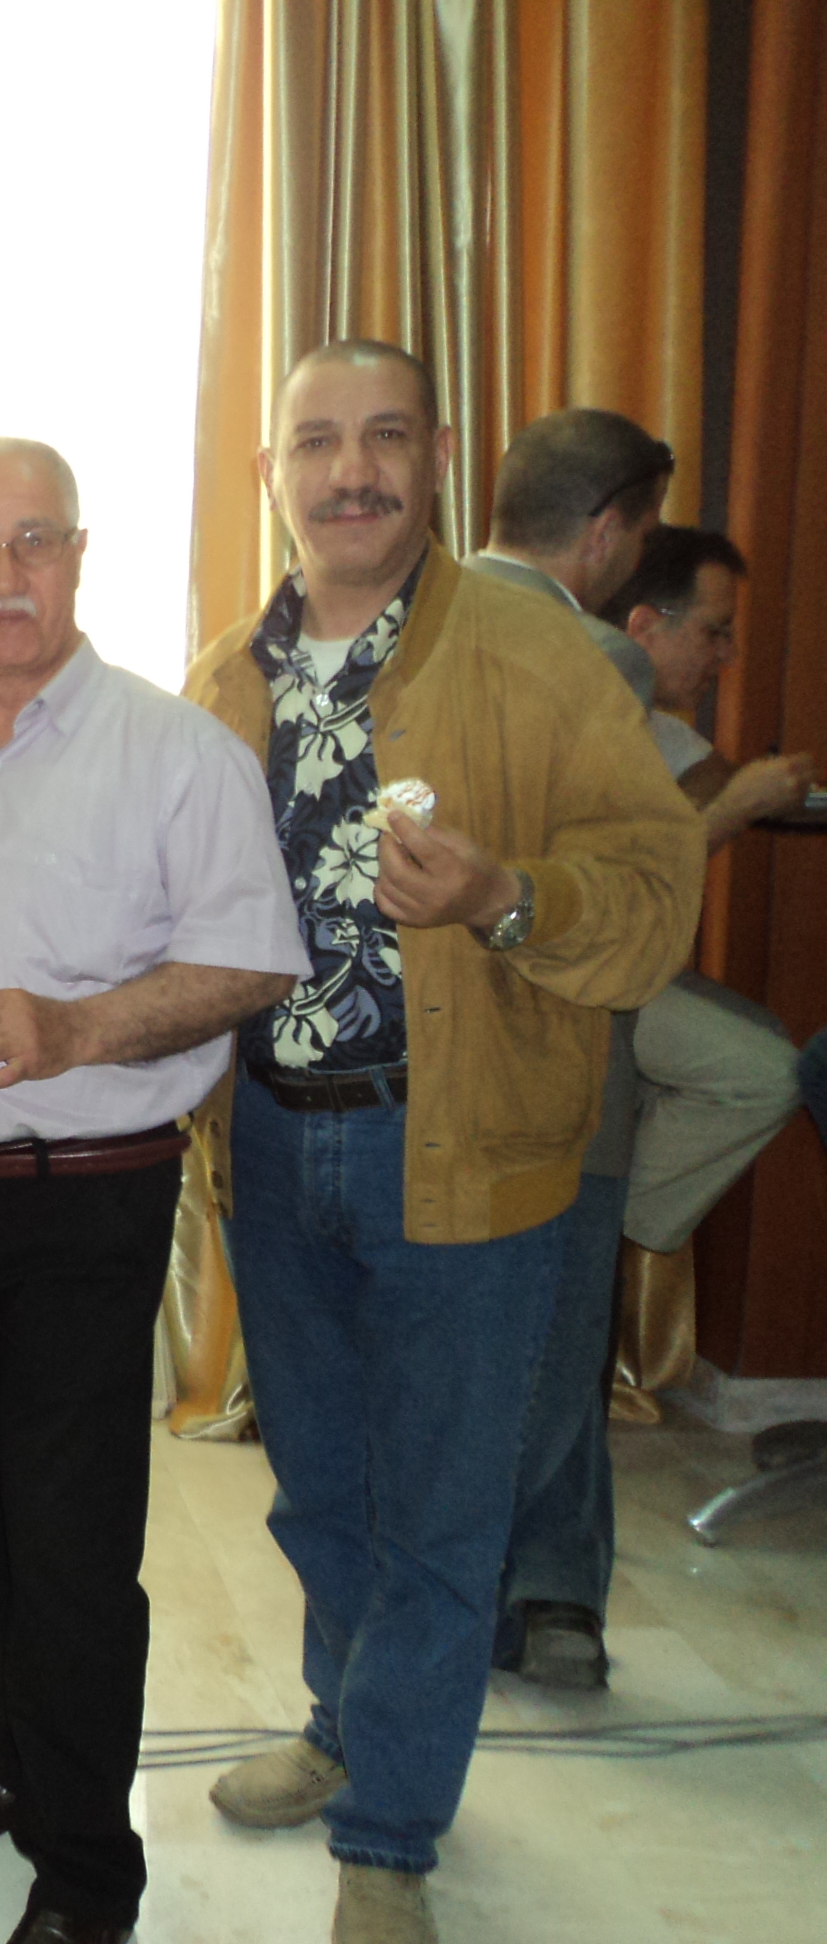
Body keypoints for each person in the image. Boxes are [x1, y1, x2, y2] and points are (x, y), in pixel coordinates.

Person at [187, 339, 702, 1944]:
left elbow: (656, 885)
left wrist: (504, 897)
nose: (351, 472)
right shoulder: (223, 681)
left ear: (439, 454)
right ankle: (345, 1727)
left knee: (441, 1517)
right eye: (317, 443)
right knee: (320, 1491)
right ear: (272, 473)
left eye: (385, 437)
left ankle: (391, 1838)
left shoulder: (541, 657)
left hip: (464, 1147)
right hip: (275, 1148)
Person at [0, 440, 302, 1944]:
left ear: (80, 555)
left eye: (32, 541)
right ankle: (16, 1758)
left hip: (89, 1196)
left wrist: (72, 1029)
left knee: (73, 1553)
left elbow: (252, 962)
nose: (3, 574)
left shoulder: (177, 751)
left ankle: (89, 1878)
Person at [462, 408, 675, 1692]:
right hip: (560, 1054)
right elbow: (625, 879)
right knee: (553, 1344)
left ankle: (506, 1596)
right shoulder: (601, 655)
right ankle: (537, 1596)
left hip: (427, 1070)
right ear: (605, 533)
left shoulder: (410, 623)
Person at [608, 527, 812, 1267]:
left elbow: (713, 782)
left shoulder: (655, 725)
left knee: (767, 1036)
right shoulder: (585, 718)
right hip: (577, 980)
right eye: (714, 632)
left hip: (631, 970)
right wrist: (734, 806)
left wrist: (755, 790)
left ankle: (604, 1236)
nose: (728, 657)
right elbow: (621, 892)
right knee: (766, 1074)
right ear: (644, 627)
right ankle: (598, 1231)